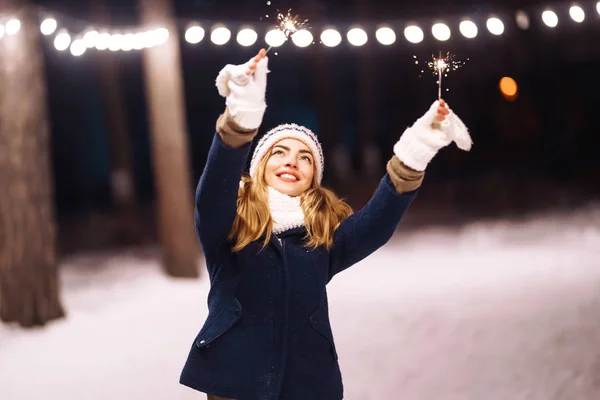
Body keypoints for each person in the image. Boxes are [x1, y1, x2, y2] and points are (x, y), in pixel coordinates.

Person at [180, 48, 472, 400]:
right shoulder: (228, 225)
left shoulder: (320, 238)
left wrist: (415, 152)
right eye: (280, 152)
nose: (292, 162)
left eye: (305, 159)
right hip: (235, 381)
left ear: (313, 180)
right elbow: (213, 191)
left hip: (309, 383)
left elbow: (374, 225)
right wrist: (242, 117)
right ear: (259, 167)